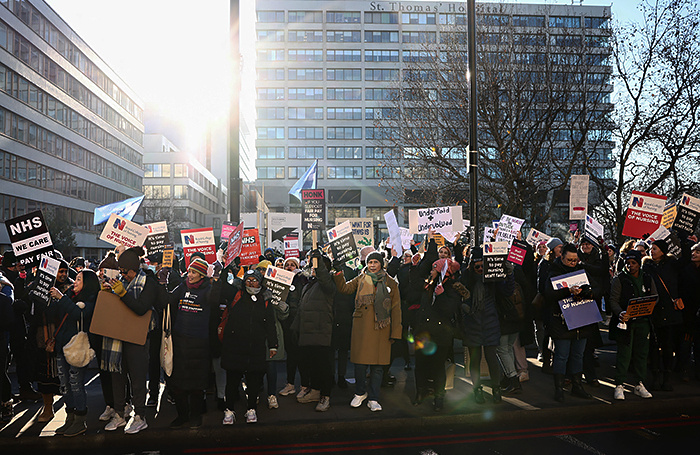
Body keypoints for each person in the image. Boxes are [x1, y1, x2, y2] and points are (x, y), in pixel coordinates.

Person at [101, 247, 164, 434]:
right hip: (118, 338)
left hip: (138, 338)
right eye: (120, 272)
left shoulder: (149, 283)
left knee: (137, 378)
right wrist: (108, 294)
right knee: (117, 376)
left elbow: (140, 308)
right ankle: (120, 414)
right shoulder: (121, 281)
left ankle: (140, 416)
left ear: (134, 270)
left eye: (124, 272)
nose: (122, 275)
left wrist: (122, 294)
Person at [334, 251, 402, 412]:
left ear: (381, 264)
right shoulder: (360, 278)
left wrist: (395, 333)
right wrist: (338, 272)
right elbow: (344, 288)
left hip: (382, 328)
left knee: (377, 367)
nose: (371, 265)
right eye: (370, 262)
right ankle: (359, 393)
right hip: (362, 327)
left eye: (375, 262)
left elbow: (396, 309)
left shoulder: (391, 282)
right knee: (360, 365)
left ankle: (373, 398)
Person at [217, 269, 277, 424]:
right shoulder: (236, 295)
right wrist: (226, 268)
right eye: (248, 280)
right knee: (232, 381)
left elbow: (271, 324)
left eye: (254, 280)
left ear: (260, 282)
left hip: (255, 347)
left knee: (254, 382)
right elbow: (221, 286)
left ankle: (251, 409)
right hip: (235, 346)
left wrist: (273, 345)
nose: (250, 282)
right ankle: (229, 410)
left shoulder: (265, 299)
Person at [166, 258, 218, 429]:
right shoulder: (182, 286)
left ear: (202, 274)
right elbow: (168, 300)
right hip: (180, 343)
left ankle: (195, 416)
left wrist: (217, 278)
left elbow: (216, 300)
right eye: (189, 271)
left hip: (200, 343)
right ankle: (182, 416)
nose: (190, 275)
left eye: (194, 272)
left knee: (197, 385)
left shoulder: (208, 290)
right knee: (178, 384)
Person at [47, 269, 100, 436]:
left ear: (88, 284)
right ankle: (69, 418)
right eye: (75, 279)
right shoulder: (69, 295)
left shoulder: (92, 298)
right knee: (64, 385)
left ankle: (80, 420)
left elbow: (80, 315)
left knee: (76, 384)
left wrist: (62, 298)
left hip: (78, 348)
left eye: (79, 279)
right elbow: (52, 314)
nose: (74, 282)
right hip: (62, 345)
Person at [413, 258, 467, 411]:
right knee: (420, 365)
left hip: (440, 335)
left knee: (438, 368)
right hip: (423, 333)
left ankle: (439, 398)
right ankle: (420, 392)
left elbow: (451, 310)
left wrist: (442, 296)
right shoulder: (428, 283)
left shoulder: (453, 287)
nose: (431, 271)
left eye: (434, 268)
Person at [544, 243, 596, 402]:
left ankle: (577, 386)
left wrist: (587, 291)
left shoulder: (582, 271)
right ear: (562, 257)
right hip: (562, 321)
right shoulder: (553, 271)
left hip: (581, 319)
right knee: (562, 356)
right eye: (569, 260)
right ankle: (559, 388)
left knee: (578, 355)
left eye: (575, 260)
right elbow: (547, 294)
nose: (573, 263)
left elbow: (597, 288)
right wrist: (568, 291)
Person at [462, 250, 513, 404]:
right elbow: (457, 294)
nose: (479, 269)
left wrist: (509, 273)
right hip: (472, 324)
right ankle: (477, 390)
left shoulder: (493, 279)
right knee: (475, 359)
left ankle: (496, 389)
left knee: (492, 357)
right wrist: (464, 304)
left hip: (490, 323)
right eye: (476, 266)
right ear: (471, 265)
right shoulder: (466, 277)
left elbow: (507, 291)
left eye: (482, 266)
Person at [609, 250, 657, 400]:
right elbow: (613, 300)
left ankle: (639, 384)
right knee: (624, 354)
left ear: (639, 263)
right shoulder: (620, 279)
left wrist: (649, 307)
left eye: (633, 263)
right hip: (626, 323)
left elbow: (655, 297)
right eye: (628, 263)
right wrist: (620, 313)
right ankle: (619, 385)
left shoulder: (647, 278)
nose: (630, 266)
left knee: (641, 354)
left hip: (643, 322)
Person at [292, 250, 336, 411]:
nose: (313, 269)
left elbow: (325, 279)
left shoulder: (328, 284)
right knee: (312, 365)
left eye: (317, 267)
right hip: (307, 332)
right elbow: (302, 308)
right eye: (312, 266)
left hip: (321, 331)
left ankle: (325, 396)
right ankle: (315, 391)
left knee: (324, 366)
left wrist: (319, 264)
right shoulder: (310, 284)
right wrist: (295, 328)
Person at [642, 239, 685, 391]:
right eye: (651, 249)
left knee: (667, 347)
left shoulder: (672, 265)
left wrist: (683, 239)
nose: (651, 251)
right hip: (653, 311)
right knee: (654, 346)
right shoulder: (647, 266)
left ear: (663, 251)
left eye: (654, 249)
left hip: (669, 312)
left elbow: (685, 261)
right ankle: (655, 377)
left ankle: (666, 378)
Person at [278, 257, 308, 397]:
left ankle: (304, 385)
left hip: (300, 323)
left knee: (302, 355)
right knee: (291, 355)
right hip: (287, 322)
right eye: (287, 265)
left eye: (292, 265)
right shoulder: (281, 281)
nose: (289, 267)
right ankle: (290, 384)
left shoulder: (302, 279)